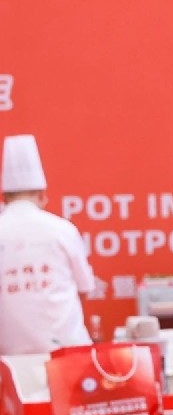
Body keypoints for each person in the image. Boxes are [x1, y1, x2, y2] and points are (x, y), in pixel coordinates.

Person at [0, 134, 94, 355]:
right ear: (42, 195)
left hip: (8, 357)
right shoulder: (62, 229)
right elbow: (85, 288)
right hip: (65, 353)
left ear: (3, 197)